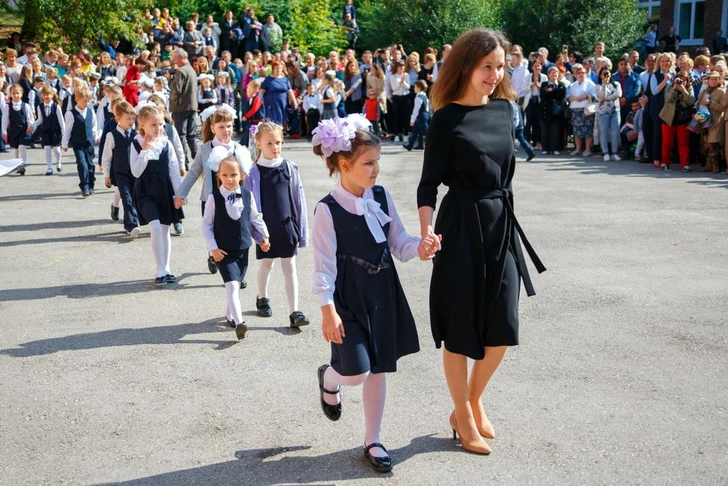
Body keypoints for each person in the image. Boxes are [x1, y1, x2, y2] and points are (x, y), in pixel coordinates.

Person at [417, 29, 545, 456]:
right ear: (467, 67)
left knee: (503, 325)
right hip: (460, 227)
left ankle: (470, 401)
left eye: (500, 66)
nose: (495, 74)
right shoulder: (445, 118)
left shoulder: (507, 110)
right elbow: (427, 185)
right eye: (486, 66)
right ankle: (464, 413)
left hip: (500, 222)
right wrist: (426, 231)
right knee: (459, 328)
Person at [312, 114, 431, 473]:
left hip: (382, 292)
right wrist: (327, 310)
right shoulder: (327, 209)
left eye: (377, 161)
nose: (376, 169)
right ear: (345, 165)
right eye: (369, 163)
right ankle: (329, 378)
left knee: (377, 369)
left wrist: (421, 247)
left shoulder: (380, 196)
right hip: (347, 297)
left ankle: (373, 440)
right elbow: (323, 265)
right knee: (354, 373)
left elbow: (399, 242)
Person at [244, 123, 310, 327]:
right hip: (266, 228)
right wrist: (257, 234)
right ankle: (262, 297)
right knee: (267, 264)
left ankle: (294, 312)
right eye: (270, 143)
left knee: (289, 265)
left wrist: (302, 231)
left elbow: (299, 201)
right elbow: (250, 206)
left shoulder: (290, 167)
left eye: (279, 142)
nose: (275, 147)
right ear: (259, 144)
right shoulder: (252, 172)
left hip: (287, 225)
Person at [200, 151, 270, 339]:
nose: (229, 179)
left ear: (241, 175)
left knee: (236, 286)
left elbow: (255, 218)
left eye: (234, 175)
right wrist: (212, 248)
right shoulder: (214, 198)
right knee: (231, 285)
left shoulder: (247, 195)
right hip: (223, 251)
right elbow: (206, 225)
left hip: (242, 250)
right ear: (218, 176)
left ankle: (230, 315)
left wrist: (264, 237)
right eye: (225, 175)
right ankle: (240, 323)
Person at [175, 106, 252, 275]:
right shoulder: (205, 149)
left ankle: (236, 270)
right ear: (212, 128)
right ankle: (213, 252)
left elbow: (247, 177)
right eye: (221, 127)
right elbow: (194, 172)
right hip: (211, 198)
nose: (226, 130)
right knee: (213, 230)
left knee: (236, 232)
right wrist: (181, 193)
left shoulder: (239, 149)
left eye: (229, 126)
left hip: (234, 198)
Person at [130, 105, 184, 285]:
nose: (158, 128)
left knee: (164, 229)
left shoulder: (166, 144)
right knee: (154, 227)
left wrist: (179, 194)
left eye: (160, 124)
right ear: (142, 125)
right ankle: (159, 269)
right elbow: (136, 172)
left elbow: (174, 171)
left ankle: (166, 267)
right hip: (145, 191)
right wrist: (144, 151)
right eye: (153, 125)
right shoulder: (136, 143)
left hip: (164, 190)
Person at [101, 100, 141, 238]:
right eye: (128, 118)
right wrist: (106, 174)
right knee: (126, 197)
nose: (131, 121)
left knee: (135, 197)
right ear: (118, 118)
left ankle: (133, 220)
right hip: (120, 172)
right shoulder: (111, 135)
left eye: (133, 118)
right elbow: (106, 157)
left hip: (134, 172)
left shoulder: (135, 134)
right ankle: (131, 225)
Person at [62, 87, 99, 196]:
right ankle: (85, 186)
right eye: (84, 101)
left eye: (88, 101)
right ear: (77, 99)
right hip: (77, 144)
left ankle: (91, 185)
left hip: (89, 143)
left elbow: (94, 127)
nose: (86, 104)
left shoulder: (91, 112)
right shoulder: (71, 114)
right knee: (82, 164)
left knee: (90, 165)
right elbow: (67, 130)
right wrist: (65, 144)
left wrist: (95, 137)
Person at [658, 69, 694, 171]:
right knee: (667, 142)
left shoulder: (689, 88)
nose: (681, 82)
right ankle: (665, 162)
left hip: (683, 119)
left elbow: (691, 101)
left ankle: (685, 164)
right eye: (679, 80)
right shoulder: (670, 87)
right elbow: (668, 99)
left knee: (683, 143)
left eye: (684, 80)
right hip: (668, 118)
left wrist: (683, 90)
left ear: (687, 81)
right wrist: (674, 88)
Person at [169, 48, 198, 170]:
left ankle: (184, 162)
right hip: (192, 106)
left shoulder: (181, 71)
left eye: (175, 59)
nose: (174, 62)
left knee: (181, 135)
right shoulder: (191, 69)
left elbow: (176, 89)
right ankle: (198, 161)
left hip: (180, 107)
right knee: (191, 135)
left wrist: (170, 78)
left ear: (181, 57)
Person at [647, 53, 676, 170]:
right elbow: (654, 91)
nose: (665, 63)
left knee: (668, 136)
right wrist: (665, 81)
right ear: (659, 63)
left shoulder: (674, 74)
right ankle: (656, 158)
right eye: (663, 61)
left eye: (667, 61)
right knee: (658, 134)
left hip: (670, 108)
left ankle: (667, 159)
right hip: (658, 108)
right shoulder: (655, 75)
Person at [2, 84, 34, 176]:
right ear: (10, 94)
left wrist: (31, 126)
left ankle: (22, 165)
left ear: (21, 94)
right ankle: (16, 165)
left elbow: (30, 118)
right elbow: (5, 119)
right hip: (13, 130)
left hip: (24, 130)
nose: (16, 95)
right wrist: (4, 130)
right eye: (14, 93)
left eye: (17, 93)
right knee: (16, 148)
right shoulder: (8, 106)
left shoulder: (26, 106)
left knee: (22, 147)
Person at [697, 71, 726, 172]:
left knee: (714, 144)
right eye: (712, 79)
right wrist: (702, 105)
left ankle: (716, 166)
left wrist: (711, 103)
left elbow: (723, 107)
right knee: (706, 144)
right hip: (704, 120)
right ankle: (708, 165)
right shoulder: (704, 92)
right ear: (708, 80)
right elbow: (697, 104)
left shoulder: (721, 92)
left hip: (716, 121)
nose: (714, 81)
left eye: (716, 79)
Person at [33, 85, 65, 175]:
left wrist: (63, 131)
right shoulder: (40, 107)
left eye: (48, 94)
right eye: (44, 94)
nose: (46, 96)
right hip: (45, 131)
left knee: (56, 149)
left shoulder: (56, 106)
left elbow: (61, 119)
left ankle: (58, 162)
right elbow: (40, 119)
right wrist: (33, 125)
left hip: (55, 130)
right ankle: (49, 167)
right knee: (47, 149)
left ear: (52, 95)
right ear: (41, 96)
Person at [566, 63, 595, 156]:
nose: (581, 74)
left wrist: (586, 96)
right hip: (575, 109)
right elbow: (567, 96)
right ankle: (578, 149)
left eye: (583, 72)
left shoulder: (590, 83)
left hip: (586, 109)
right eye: (579, 73)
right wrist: (574, 98)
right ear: (575, 74)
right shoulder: (573, 85)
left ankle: (587, 149)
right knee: (577, 129)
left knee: (587, 129)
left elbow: (595, 96)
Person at [595, 67, 622, 161]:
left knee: (615, 132)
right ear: (600, 75)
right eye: (604, 73)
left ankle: (614, 152)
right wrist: (604, 84)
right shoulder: (598, 86)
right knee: (603, 132)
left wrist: (606, 99)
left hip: (615, 111)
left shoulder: (616, 84)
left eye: (608, 73)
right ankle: (605, 152)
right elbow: (601, 96)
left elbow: (618, 94)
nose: (606, 75)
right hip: (603, 112)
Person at [539, 66, 567, 155]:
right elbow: (543, 94)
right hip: (545, 110)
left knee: (556, 130)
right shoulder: (544, 84)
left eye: (556, 73)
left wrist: (552, 91)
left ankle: (556, 148)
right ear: (548, 74)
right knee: (545, 130)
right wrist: (552, 92)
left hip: (556, 111)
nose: (554, 74)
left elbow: (561, 94)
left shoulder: (561, 84)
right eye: (552, 72)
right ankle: (545, 148)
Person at [260, 61, 297, 125]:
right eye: (277, 68)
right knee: (272, 122)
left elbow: (290, 91)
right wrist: (258, 102)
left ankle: (280, 133)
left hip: (282, 103)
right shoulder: (268, 79)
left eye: (280, 68)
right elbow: (261, 92)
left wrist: (295, 102)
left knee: (282, 122)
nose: (278, 70)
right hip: (271, 104)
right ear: (273, 69)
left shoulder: (285, 79)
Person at [402, 80, 429, 151]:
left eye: (415, 87)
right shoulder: (424, 95)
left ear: (419, 88)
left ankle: (434, 145)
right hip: (424, 115)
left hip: (421, 116)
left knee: (426, 132)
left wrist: (412, 120)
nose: (414, 88)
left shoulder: (418, 98)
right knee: (416, 131)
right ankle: (413, 145)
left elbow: (416, 110)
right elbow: (427, 106)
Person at [240, 79, 265, 146]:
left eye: (251, 88)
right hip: (253, 120)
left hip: (258, 120)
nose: (249, 90)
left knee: (255, 134)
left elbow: (254, 109)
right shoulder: (252, 96)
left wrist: (246, 116)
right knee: (249, 133)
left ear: (256, 89)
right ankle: (245, 144)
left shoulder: (258, 97)